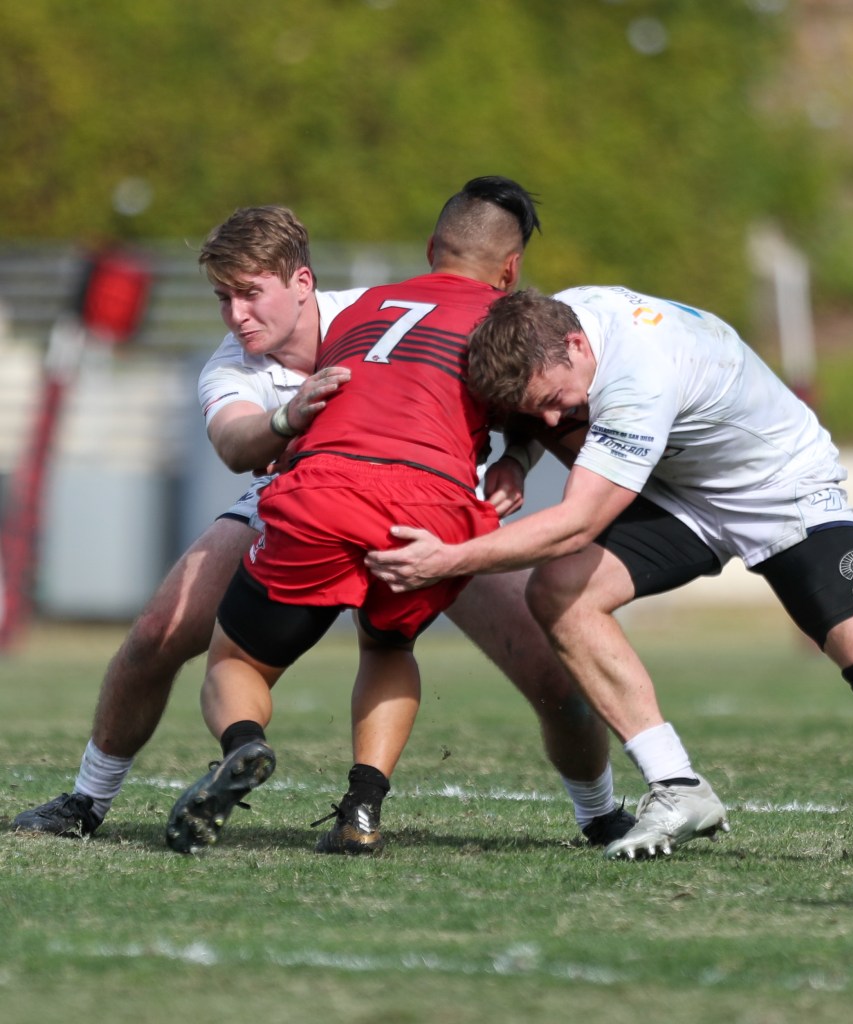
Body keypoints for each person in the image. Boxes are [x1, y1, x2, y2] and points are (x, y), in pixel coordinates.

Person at [13, 198, 630, 852]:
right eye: (223, 298)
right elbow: (235, 444)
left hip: (414, 497)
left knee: (547, 667)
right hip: (323, 492)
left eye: (251, 293)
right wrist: (288, 419)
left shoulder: (371, 309)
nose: (237, 315)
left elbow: (525, 384)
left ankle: (599, 814)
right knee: (156, 634)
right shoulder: (234, 362)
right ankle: (87, 800)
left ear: (303, 282)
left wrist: (516, 459)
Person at [366, 284, 853, 863]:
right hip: (683, 496)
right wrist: (517, 455)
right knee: (561, 592)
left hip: (782, 491)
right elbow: (539, 408)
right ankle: (677, 785)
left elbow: (575, 524)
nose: (552, 420)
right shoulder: (555, 331)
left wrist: (449, 557)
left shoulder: (640, 374)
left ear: (577, 345)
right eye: (538, 409)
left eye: (555, 402)